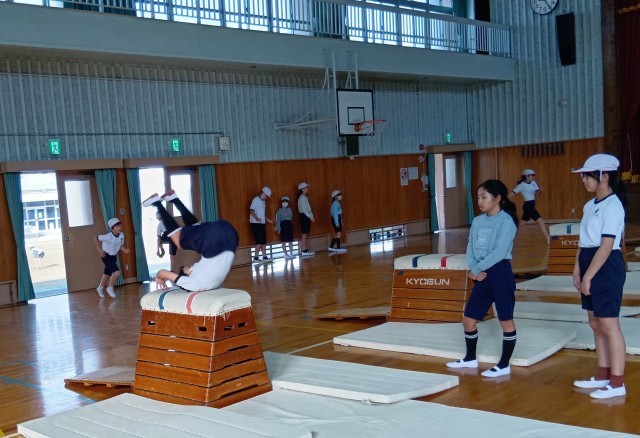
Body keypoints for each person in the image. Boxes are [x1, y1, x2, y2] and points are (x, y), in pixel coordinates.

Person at [446, 179, 519, 377]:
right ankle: (470, 358)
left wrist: (477, 269)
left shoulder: (506, 222)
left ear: (497, 198)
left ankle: (504, 365)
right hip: (481, 274)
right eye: (478, 197)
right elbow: (470, 247)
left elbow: (500, 252)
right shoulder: (478, 221)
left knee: (506, 321)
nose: (479, 201)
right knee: (468, 320)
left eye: (484, 197)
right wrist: (474, 269)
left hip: (499, 273)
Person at [571, 154, 628, 399]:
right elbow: (583, 242)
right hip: (589, 262)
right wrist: (577, 269)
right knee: (595, 323)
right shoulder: (589, 205)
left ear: (604, 176)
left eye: (587, 176)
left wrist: (588, 277)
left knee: (608, 324)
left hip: (606, 266)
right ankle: (603, 375)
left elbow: (606, 246)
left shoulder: (613, 205)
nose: (584, 180)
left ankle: (617, 383)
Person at [143, 190, 238, 292]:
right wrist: (159, 277)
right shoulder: (193, 285)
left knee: (196, 229)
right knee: (178, 241)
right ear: (186, 276)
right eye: (185, 269)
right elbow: (162, 272)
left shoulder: (209, 281)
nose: (189, 266)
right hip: (215, 244)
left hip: (230, 237)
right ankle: (157, 203)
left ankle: (173, 199)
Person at [93, 218, 130, 298]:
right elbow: (95, 238)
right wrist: (99, 250)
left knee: (107, 273)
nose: (119, 228)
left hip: (113, 256)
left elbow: (120, 245)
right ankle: (110, 287)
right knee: (117, 272)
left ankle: (100, 288)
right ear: (112, 228)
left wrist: (125, 250)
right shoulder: (108, 236)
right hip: (106, 256)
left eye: (120, 226)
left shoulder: (122, 235)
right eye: (116, 226)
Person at [510, 169, 550, 243]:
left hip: (531, 205)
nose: (533, 177)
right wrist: (502, 199)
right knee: (541, 221)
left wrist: (540, 190)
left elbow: (538, 193)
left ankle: (509, 226)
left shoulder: (533, 182)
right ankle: (548, 239)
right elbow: (512, 193)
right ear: (527, 176)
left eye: (534, 175)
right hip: (528, 206)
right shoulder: (521, 185)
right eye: (532, 175)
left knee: (522, 223)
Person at [249, 187, 273, 262]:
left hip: (262, 223)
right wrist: (256, 218)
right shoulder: (255, 200)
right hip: (255, 223)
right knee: (259, 241)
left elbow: (261, 213)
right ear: (264, 193)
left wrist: (267, 219)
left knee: (263, 241)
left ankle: (264, 257)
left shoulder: (263, 202)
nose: (267, 198)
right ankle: (255, 258)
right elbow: (251, 210)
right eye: (267, 196)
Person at [297, 182, 315, 257]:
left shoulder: (304, 197)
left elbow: (309, 209)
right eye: (306, 188)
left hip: (306, 216)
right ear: (302, 189)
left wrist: (312, 216)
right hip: (304, 216)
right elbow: (304, 210)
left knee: (305, 234)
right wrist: (311, 217)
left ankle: (306, 249)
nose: (308, 189)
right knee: (304, 234)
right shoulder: (301, 198)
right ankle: (303, 250)